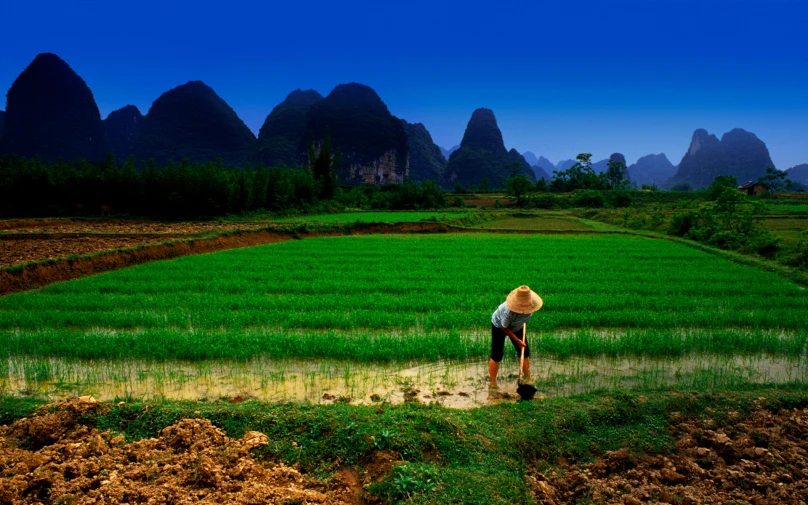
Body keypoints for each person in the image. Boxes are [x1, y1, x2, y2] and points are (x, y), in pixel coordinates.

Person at [489, 285, 543, 386]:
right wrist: (517, 340)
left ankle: (527, 378)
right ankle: (492, 383)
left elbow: (523, 319)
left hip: (517, 326)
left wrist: (520, 338)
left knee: (524, 351)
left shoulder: (531, 306)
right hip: (499, 326)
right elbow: (504, 327)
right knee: (497, 354)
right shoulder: (509, 312)